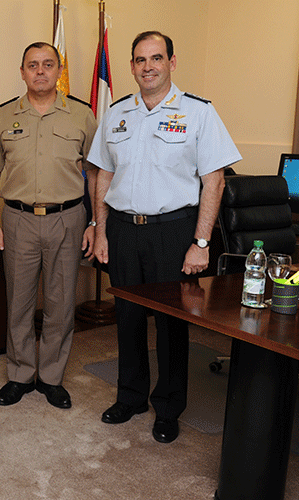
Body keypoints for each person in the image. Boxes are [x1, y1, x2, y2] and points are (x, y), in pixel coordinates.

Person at [88, 31, 241, 443]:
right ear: (132, 66)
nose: (148, 66)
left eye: (156, 58)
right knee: (128, 318)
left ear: (172, 62)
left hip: (174, 231)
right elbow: (103, 174)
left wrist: (202, 242)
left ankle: (169, 407)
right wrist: (100, 230)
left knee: (173, 325)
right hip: (122, 230)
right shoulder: (117, 113)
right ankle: (132, 396)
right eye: (140, 60)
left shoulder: (199, 113)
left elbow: (215, 182)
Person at [0, 42, 98, 410]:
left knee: (61, 302)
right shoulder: (3, 116)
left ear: (59, 70)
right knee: (19, 301)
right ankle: (19, 374)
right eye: (33, 65)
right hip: (17, 220)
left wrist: (95, 222)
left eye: (48, 65)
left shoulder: (81, 115)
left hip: (68, 218)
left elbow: (96, 172)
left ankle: (51, 377)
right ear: (22, 72)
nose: (41, 71)